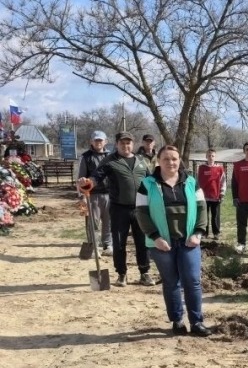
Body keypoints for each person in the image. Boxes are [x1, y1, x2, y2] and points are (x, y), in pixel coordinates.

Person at [135, 145, 212, 337]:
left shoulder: (192, 182)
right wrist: (155, 237)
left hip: (189, 241)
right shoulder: (147, 184)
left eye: (174, 159)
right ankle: (177, 321)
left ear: (180, 161)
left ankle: (197, 322)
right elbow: (141, 214)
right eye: (166, 159)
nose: (171, 162)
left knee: (193, 281)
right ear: (158, 161)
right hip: (162, 243)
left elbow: (202, 209)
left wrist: (198, 233)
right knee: (171, 282)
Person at [77, 131, 155, 287]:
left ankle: (144, 273)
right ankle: (121, 274)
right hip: (119, 208)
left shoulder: (141, 160)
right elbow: (96, 177)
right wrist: (87, 182)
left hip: (140, 209)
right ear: (117, 144)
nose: (126, 146)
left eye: (128, 143)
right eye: (122, 143)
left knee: (142, 242)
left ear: (133, 144)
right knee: (119, 243)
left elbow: (151, 180)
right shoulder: (109, 161)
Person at [77, 130, 113, 255]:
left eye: (100, 140)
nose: (98, 142)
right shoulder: (86, 157)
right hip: (92, 195)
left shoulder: (111, 156)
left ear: (105, 142)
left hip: (109, 194)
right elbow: (80, 178)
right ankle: (93, 246)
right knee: (93, 223)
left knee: (109, 221)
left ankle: (107, 245)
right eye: (96, 140)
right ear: (91, 141)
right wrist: (81, 196)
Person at [196, 148, 226, 240]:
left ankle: (216, 233)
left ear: (215, 157)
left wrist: (222, 193)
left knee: (215, 216)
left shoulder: (220, 169)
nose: (211, 157)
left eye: (212, 156)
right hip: (204, 196)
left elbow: (223, 181)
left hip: (215, 196)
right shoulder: (201, 168)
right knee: (204, 216)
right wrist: (197, 193)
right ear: (206, 156)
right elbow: (197, 181)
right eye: (209, 155)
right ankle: (204, 233)